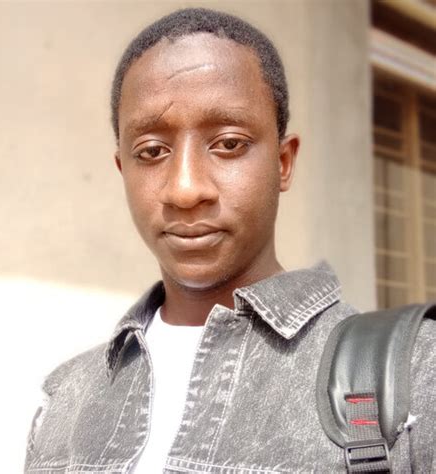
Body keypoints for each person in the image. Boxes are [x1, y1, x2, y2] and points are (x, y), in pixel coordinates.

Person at [24, 8, 435, 474]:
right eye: (152, 151)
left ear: (283, 163)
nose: (185, 189)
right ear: (124, 171)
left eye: (229, 144)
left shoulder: (415, 373)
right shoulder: (66, 400)